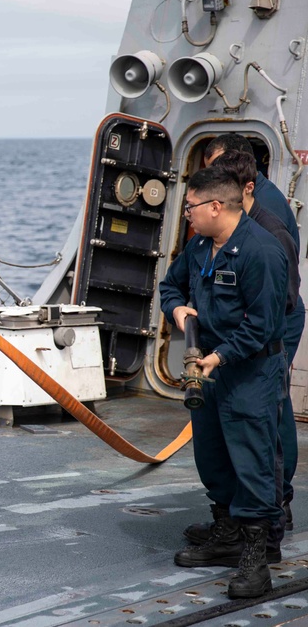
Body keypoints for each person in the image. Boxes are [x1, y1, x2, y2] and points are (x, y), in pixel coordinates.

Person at [160, 166, 288, 599]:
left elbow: (263, 325)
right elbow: (169, 287)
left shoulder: (262, 252)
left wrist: (216, 357)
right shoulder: (199, 247)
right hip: (210, 369)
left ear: (216, 206)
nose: (187, 216)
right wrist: (178, 312)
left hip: (248, 370)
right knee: (212, 454)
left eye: (192, 207)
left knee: (252, 460)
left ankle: (257, 556)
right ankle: (227, 532)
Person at [186, 134, 304, 534]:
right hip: (235, 337)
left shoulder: (266, 230)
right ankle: (233, 519)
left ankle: (277, 505)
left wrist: (233, 350)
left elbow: (280, 301)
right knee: (226, 428)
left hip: (274, 326)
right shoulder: (214, 236)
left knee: (269, 414)